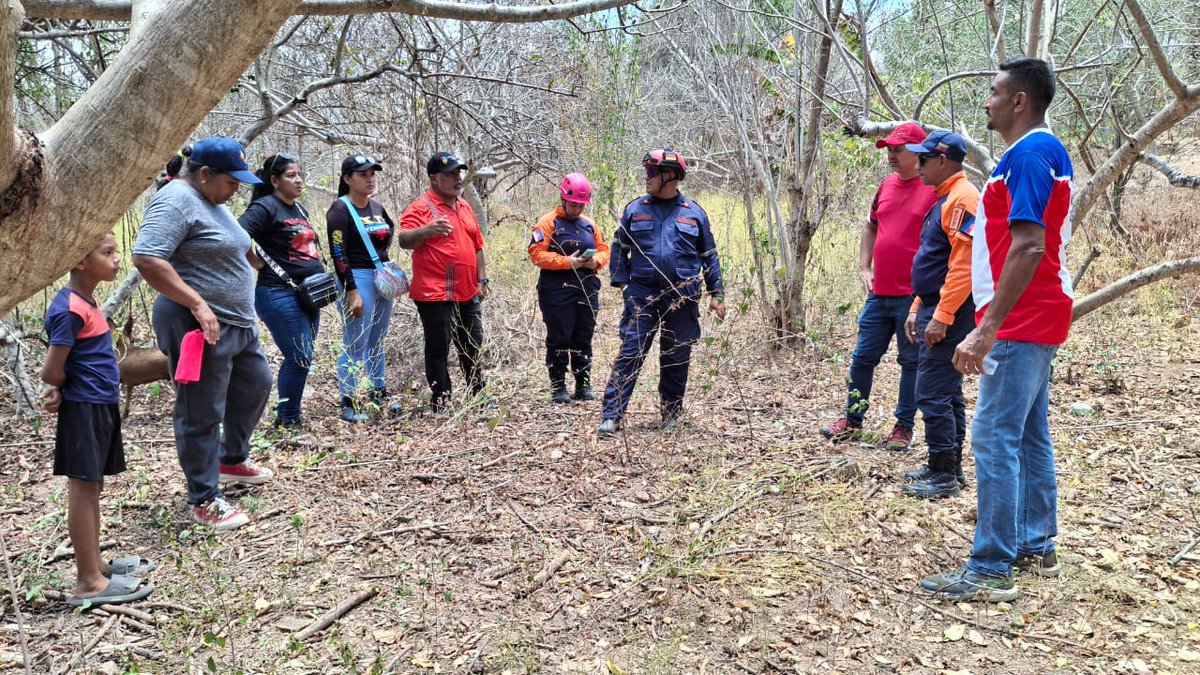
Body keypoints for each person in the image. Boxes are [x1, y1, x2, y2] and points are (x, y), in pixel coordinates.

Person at [921, 57, 1074, 601]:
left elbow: (1030, 244)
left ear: (1019, 101)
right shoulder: (1030, 154)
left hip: (1021, 318)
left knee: (993, 435)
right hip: (1031, 314)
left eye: (993, 92)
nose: (985, 101)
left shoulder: (1032, 153)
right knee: (1029, 431)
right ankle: (1035, 542)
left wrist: (987, 329)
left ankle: (991, 567)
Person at [133, 137, 274, 532]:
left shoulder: (213, 202)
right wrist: (196, 303)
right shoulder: (175, 199)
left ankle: (231, 459)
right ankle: (204, 497)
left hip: (238, 320)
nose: (236, 191)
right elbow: (147, 257)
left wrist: (250, 259)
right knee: (202, 409)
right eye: (232, 182)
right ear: (205, 173)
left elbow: (232, 244)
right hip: (197, 323)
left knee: (256, 384)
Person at [41, 234, 155, 606]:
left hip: (99, 403)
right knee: (83, 488)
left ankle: (98, 565)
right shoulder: (68, 309)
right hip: (84, 408)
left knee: (93, 488)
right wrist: (58, 387)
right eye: (107, 253)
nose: (117, 260)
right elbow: (51, 370)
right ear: (79, 262)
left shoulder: (86, 302)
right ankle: (87, 581)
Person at [819, 122, 937, 451]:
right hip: (879, 293)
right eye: (889, 149)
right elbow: (870, 226)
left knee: (911, 362)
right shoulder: (886, 185)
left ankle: (903, 427)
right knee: (862, 358)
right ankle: (852, 420)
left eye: (898, 150)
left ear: (918, 152)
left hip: (913, 298)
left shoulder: (933, 190)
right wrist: (863, 266)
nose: (891, 155)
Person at [598, 149, 726, 436]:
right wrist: (624, 286)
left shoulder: (694, 213)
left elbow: (709, 255)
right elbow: (620, 249)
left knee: (676, 356)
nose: (647, 178)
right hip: (642, 296)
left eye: (652, 173)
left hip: (683, 298)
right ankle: (611, 415)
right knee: (630, 353)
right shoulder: (635, 209)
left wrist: (716, 292)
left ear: (670, 176)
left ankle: (670, 414)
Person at [898, 131, 979, 499]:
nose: (917, 165)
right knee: (947, 392)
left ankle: (943, 473)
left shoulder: (963, 199)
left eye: (924, 158)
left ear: (942, 161)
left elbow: (963, 266)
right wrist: (919, 306)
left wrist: (942, 316)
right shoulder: (944, 198)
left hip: (953, 309)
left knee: (931, 392)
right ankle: (948, 467)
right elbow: (935, 262)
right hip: (934, 302)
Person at [398, 152, 491, 413]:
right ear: (434, 179)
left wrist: (482, 279)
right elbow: (404, 240)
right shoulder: (421, 207)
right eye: (450, 174)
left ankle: (477, 392)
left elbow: (478, 246)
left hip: (467, 288)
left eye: (457, 173)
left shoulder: (463, 205)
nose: (456, 178)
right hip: (436, 289)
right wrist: (427, 231)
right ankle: (442, 398)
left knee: (472, 342)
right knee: (439, 345)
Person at [239, 153, 325, 428]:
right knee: (298, 356)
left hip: (308, 294)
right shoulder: (265, 207)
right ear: (274, 180)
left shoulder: (298, 209)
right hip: (278, 293)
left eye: (300, 174)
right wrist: (255, 262)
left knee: (304, 356)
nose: (298, 180)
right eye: (291, 175)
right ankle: (288, 420)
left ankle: (289, 414)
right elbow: (236, 235)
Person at [326, 153, 399, 423]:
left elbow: (388, 232)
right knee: (356, 340)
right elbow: (337, 252)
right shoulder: (340, 209)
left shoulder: (377, 207)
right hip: (355, 278)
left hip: (380, 278)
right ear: (348, 179)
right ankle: (349, 399)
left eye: (372, 175)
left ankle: (378, 392)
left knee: (377, 339)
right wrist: (351, 290)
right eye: (363, 175)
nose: (370, 180)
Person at [528, 173, 610, 403]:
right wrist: (567, 262)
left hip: (586, 286)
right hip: (556, 288)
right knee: (560, 336)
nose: (577, 209)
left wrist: (597, 261)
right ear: (563, 199)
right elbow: (536, 254)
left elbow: (604, 249)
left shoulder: (589, 224)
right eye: (573, 204)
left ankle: (583, 385)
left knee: (583, 336)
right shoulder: (548, 222)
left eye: (581, 205)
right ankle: (558, 386)